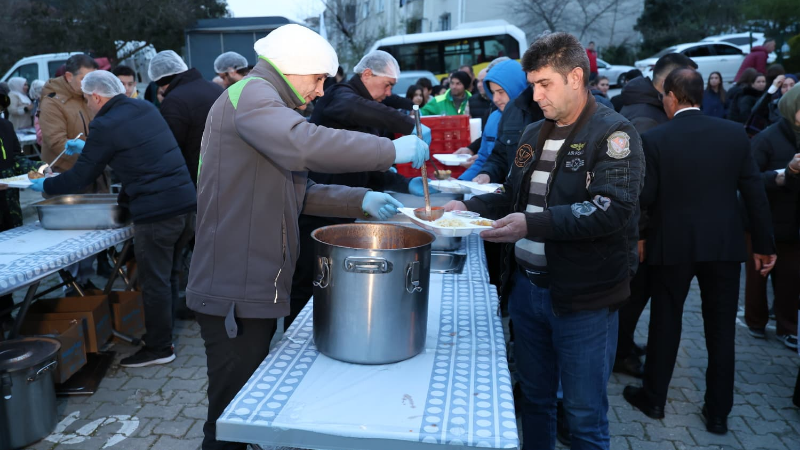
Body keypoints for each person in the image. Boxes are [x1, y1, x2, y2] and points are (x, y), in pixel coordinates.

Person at [184, 24, 428, 450]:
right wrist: (391, 150)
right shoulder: (254, 93)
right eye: (317, 79)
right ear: (293, 68)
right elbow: (303, 145)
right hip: (234, 288)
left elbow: (298, 189)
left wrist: (361, 199)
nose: (320, 91)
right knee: (230, 420)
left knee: (247, 411)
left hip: (252, 283)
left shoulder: (263, 103)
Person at [445, 32, 643, 450]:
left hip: (582, 301)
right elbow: (513, 194)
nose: (535, 95)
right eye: (532, 84)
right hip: (526, 292)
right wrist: (473, 207)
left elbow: (612, 209)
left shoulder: (615, 134)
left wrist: (531, 225)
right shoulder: (534, 132)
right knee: (534, 401)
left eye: (544, 84)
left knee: (584, 417)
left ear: (575, 77)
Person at [623, 68, 776, 435]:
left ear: (672, 97)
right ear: (701, 96)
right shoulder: (733, 134)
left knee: (666, 321)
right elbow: (754, 193)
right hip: (724, 246)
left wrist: (641, 238)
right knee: (722, 331)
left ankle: (654, 398)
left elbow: (646, 199)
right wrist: (765, 246)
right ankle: (719, 413)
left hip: (672, 244)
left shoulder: (657, 139)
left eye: (664, 96)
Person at [28, 70, 197, 367]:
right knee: (167, 277)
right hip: (185, 205)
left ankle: (159, 347)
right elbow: (135, 152)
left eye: (87, 101)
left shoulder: (106, 122)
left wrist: (47, 185)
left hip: (157, 213)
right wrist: (88, 148)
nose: (88, 107)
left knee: (154, 282)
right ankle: (164, 336)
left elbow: (82, 176)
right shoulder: (143, 108)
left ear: (96, 96)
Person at [289, 50, 427, 331]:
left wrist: (402, 184)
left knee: (333, 280)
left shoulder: (366, 105)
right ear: (366, 74)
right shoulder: (340, 95)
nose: (389, 93)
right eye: (386, 84)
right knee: (307, 279)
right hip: (316, 204)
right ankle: (294, 340)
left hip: (348, 205)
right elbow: (354, 108)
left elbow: (370, 165)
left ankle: (332, 329)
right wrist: (409, 125)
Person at [613, 53, 698, 378]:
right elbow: (637, 185)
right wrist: (642, 234)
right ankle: (621, 353)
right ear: (667, 85)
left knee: (635, 293)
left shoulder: (647, 107)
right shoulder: (649, 118)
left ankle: (625, 345)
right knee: (634, 294)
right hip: (640, 228)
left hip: (643, 224)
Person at [39, 53, 106, 290]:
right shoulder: (53, 102)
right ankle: (72, 287)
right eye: (85, 79)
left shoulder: (88, 96)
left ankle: (86, 283)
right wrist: (95, 153)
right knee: (71, 240)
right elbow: (57, 141)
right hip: (68, 179)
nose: (90, 84)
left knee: (91, 238)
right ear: (68, 76)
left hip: (94, 176)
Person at [745, 85, 800, 350]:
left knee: (791, 278)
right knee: (758, 276)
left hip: (793, 224)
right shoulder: (767, 138)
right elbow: (748, 179)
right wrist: (780, 176)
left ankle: (787, 327)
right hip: (763, 220)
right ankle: (755, 321)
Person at [0, 111, 49, 330]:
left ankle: (6, 311)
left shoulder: (5, 126)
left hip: (8, 207)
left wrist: (39, 168)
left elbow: (16, 158)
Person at [149, 50, 224, 186]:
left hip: (200, 177)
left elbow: (170, 146)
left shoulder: (174, 101)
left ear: (161, 82)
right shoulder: (217, 89)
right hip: (230, 170)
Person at [455, 60, 527, 181]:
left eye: (501, 92)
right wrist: (461, 183)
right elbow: (483, 159)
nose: (495, 99)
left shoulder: (535, 119)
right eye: (493, 92)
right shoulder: (493, 117)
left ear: (517, 87)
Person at [472, 80, 545, 185]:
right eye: (532, 84)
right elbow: (500, 155)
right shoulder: (511, 108)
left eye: (545, 84)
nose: (495, 99)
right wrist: (487, 173)